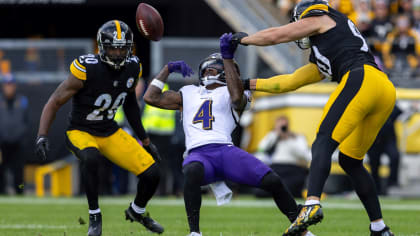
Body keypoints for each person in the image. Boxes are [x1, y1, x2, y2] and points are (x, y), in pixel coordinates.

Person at [229, 0, 396, 235]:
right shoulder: (326, 47)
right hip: (383, 89)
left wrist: (243, 39)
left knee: (323, 142)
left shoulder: (321, 18)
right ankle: (379, 228)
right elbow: (289, 82)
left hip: (362, 78)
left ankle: (311, 204)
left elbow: (278, 35)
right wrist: (246, 83)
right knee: (350, 160)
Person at [143, 33, 315, 236]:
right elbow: (150, 97)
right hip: (198, 154)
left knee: (273, 181)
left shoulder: (236, 92)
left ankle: (301, 230)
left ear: (227, 72)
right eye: (206, 68)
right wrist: (167, 70)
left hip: (225, 152)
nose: (208, 71)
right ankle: (195, 233)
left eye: (214, 67)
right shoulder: (189, 92)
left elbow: (236, 98)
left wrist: (228, 57)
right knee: (192, 170)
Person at [34, 20, 164, 236]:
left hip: (109, 131)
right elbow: (55, 100)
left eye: (123, 48)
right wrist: (41, 135)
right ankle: (95, 216)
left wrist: (146, 141)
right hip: (80, 131)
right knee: (91, 158)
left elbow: (130, 105)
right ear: (102, 47)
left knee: (152, 173)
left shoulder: (133, 67)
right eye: (113, 47)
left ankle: (137, 211)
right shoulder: (87, 68)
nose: (118, 53)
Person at [256, 115, 311, 198]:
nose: (282, 128)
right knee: (260, 191)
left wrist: (289, 139)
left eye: (284, 125)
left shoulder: (298, 137)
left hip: (293, 169)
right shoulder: (272, 136)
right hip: (275, 168)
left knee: (287, 189)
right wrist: (275, 135)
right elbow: (261, 149)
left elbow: (304, 155)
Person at [0, 74, 28, 195]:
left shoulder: (22, 101)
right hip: (2, 143)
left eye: (11, 85)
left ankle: (20, 191)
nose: (9, 88)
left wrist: (20, 134)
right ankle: (2, 192)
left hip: (18, 142)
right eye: (7, 85)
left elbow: (26, 121)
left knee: (19, 170)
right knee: (1, 169)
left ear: (15, 86)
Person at [368, 105, 402, 195]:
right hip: (374, 139)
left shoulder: (388, 102)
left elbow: (399, 112)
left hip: (388, 139)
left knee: (395, 156)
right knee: (374, 164)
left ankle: (392, 183)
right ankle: (376, 187)